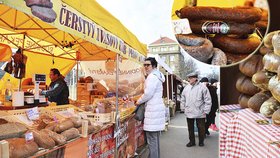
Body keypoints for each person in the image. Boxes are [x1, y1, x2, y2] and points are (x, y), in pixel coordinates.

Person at [136, 57, 165, 158]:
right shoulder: (156, 76)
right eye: (144, 65)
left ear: (154, 66)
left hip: (153, 111)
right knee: (154, 139)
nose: (145, 67)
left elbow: (148, 94)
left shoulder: (152, 77)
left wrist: (138, 101)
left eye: (148, 65)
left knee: (152, 139)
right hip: (155, 109)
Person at [181, 72, 211, 147]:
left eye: (190, 78)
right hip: (189, 111)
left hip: (200, 112)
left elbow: (208, 100)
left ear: (195, 78)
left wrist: (206, 111)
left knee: (201, 128)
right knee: (190, 128)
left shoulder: (203, 87)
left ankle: (201, 141)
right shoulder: (186, 88)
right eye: (189, 78)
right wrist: (183, 108)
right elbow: (183, 99)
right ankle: (192, 141)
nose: (189, 79)